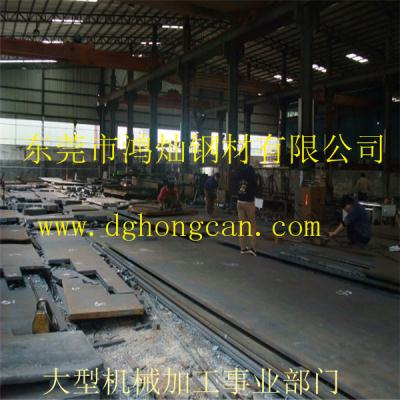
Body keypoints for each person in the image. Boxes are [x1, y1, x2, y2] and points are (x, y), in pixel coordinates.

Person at [236, 164, 258, 256]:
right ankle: (253, 248)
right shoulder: (252, 178)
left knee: (242, 225)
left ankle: (242, 248)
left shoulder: (240, 177)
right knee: (252, 225)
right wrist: (258, 204)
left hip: (239, 202)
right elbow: (256, 192)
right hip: (249, 203)